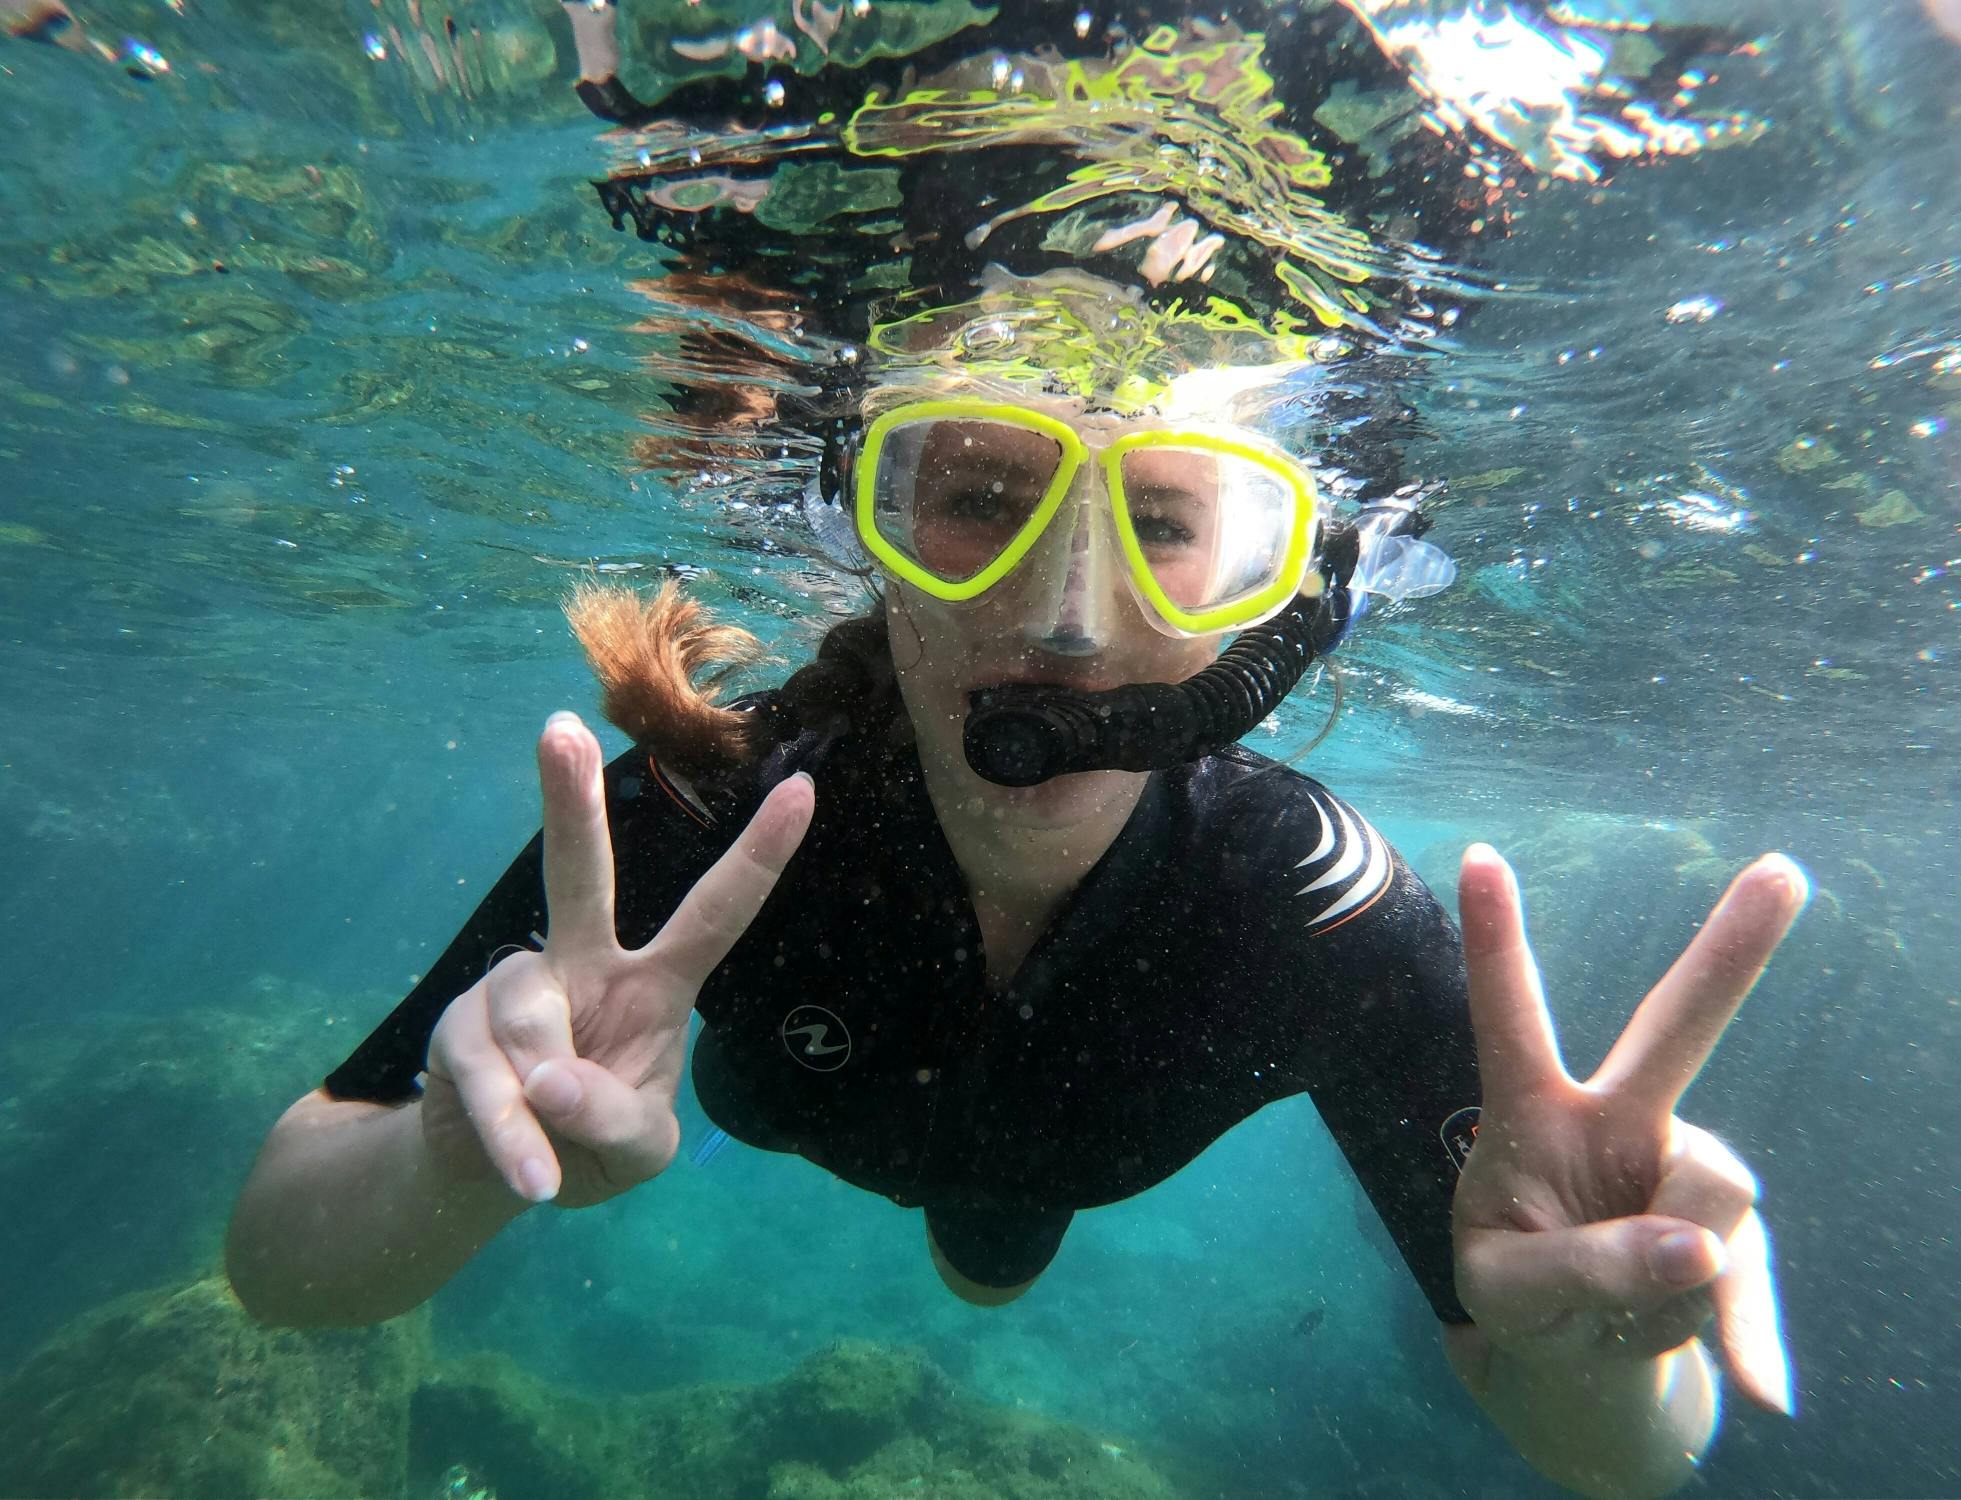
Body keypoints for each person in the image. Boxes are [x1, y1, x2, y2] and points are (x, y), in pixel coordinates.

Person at [228, 6, 1803, 1496]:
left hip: (1051, 1162)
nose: (1063, 622)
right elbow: (276, 1261)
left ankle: (990, 1230)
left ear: (1274, 597)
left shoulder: (1320, 912)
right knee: (927, 1190)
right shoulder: (708, 814)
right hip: (804, 1099)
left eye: (1170, 525)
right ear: (881, 534)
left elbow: (1629, 1454)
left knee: (996, 1240)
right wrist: (447, 1156)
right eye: (979, 497)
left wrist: (1603, 1348)